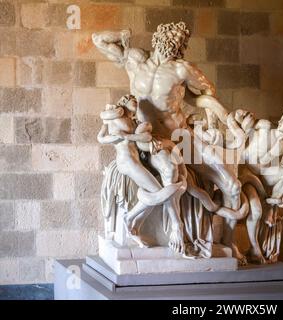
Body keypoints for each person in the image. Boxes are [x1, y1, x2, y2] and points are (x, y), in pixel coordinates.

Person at [92, 22, 245, 261]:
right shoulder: (134, 59)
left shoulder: (183, 70)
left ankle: (228, 243)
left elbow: (207, 93)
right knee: (169, 169)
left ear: (182, 46)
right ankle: (176, 228)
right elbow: (98, 39)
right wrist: (122, 34)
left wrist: (222, 117)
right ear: (157, 38)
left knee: (232, 184)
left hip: (181, 136)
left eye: (179, 39)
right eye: (170, 35)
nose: (173, 41)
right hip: (151, 138)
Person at [97, 95, 184, 251]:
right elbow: (101, 138)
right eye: (131, 99)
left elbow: (146, 136)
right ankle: (132, 221)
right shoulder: (114, 117)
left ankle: (131, 221)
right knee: (158, 192)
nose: (135, 101)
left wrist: (127, 136)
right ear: (123, 102)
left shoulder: (134, 122)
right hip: (126, 162)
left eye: (136, 100)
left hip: (135, 160)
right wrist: (115, 139)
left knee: (156, 194)